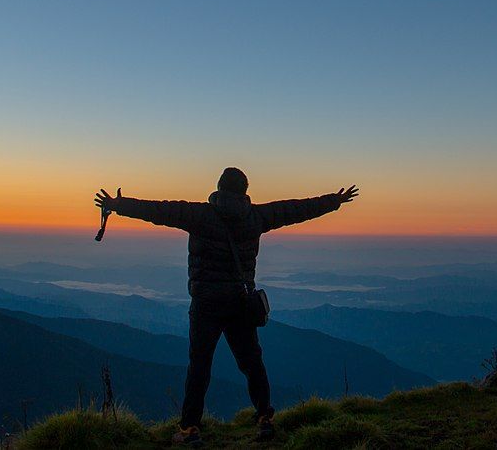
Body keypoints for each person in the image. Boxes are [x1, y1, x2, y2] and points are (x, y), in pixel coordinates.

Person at [94, 168, 358, 446]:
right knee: (252, 362)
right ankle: (264, 418)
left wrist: (117, 205)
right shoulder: (256, 217)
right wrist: (333, 201)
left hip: (206, 303)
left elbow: (160, 211)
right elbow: (294, 209)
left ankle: (190, 429)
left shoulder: (200, 216)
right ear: (245, 190)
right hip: (240, 302)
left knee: (199, 365)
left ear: (219, 188)